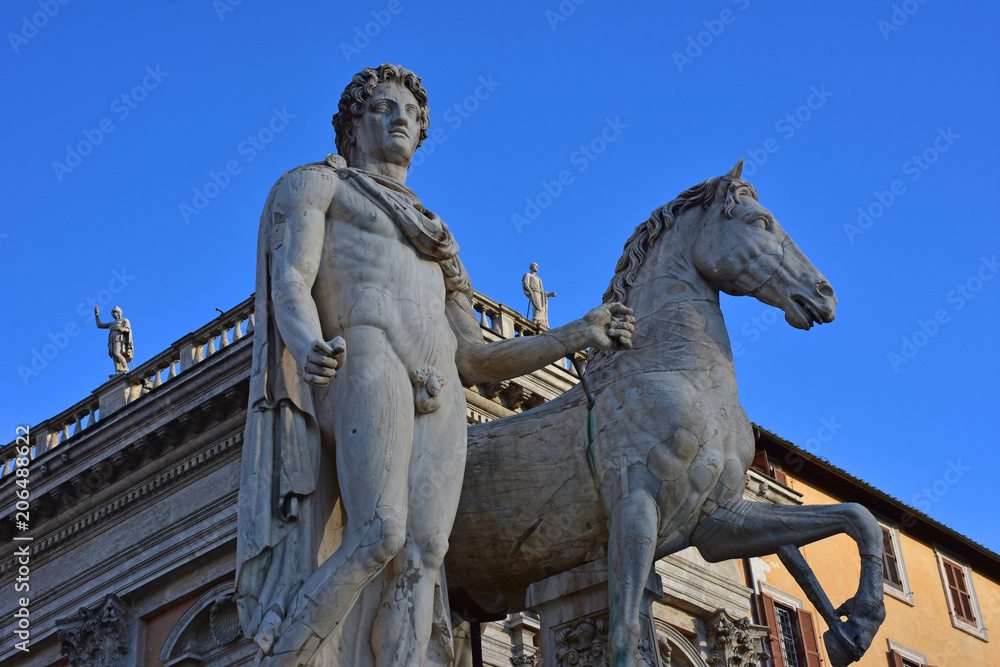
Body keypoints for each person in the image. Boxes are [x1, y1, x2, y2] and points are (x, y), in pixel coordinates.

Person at [235, 63, 633, 667]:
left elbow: (479, 359)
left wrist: (578, 332)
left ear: (423, 135)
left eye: (413, 114)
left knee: (422, 557)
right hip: (366, 350)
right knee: (379, 533)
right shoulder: (318, 186)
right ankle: (286, 654)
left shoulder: (439, 241)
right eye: (383, 108)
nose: (401, 119)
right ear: (351, 124)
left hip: (440, 384)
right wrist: (306, 337)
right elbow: (291, 277)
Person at [94, 306, 132, 376]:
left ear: (119, 313)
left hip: (119, 339)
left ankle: (125, 367)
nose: (113, 314)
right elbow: (99, 325)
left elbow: (127, 329)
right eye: (112, 312)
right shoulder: (111, 324)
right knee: (114, 356)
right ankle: (117, 373)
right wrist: (96, 315)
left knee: (117, 353)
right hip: (112, 340)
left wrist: (120, 328)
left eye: (115, 312)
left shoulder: (124, 320)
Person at [522, 262, 557, 328]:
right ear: (531, 267)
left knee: (541, 308)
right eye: (535, 266)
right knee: (538, 307)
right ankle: (535, 321)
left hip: (540, 294)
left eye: (537, 266)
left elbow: (542, 291)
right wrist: (530, 292)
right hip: (534, 292)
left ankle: (539, 322)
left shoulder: (538, 278)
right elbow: (526, 283)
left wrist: (549, 294)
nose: (537, 267)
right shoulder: (528, 275)